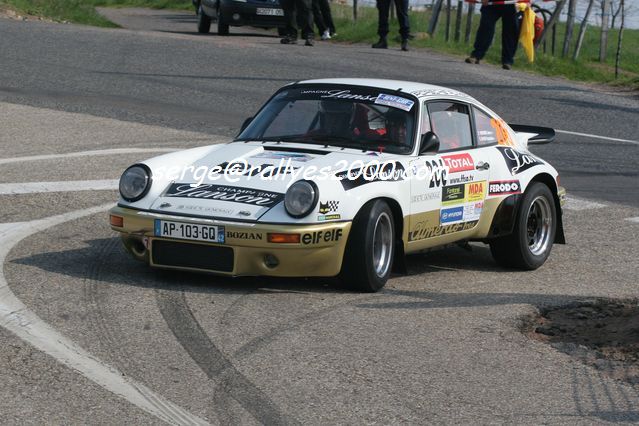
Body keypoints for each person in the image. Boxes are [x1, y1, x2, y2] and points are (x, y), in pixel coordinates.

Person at [465, 2, 518, 70]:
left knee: (510, 32)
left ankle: (507, 61)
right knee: (486, 27)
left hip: (512, 3)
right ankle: (476, 55)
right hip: (491, 3)